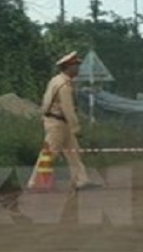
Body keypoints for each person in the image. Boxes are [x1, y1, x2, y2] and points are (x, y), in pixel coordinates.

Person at [28, 51, 100, 191]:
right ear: (69, 67)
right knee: (49, 153)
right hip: (57, 123)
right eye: (76, 66)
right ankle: (36, 182)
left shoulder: (56, 80)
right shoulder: (64, 86)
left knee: (74, 153)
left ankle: (81, 180)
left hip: (58, 121)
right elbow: (68, 109)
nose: (78, 69)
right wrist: (76, 128)